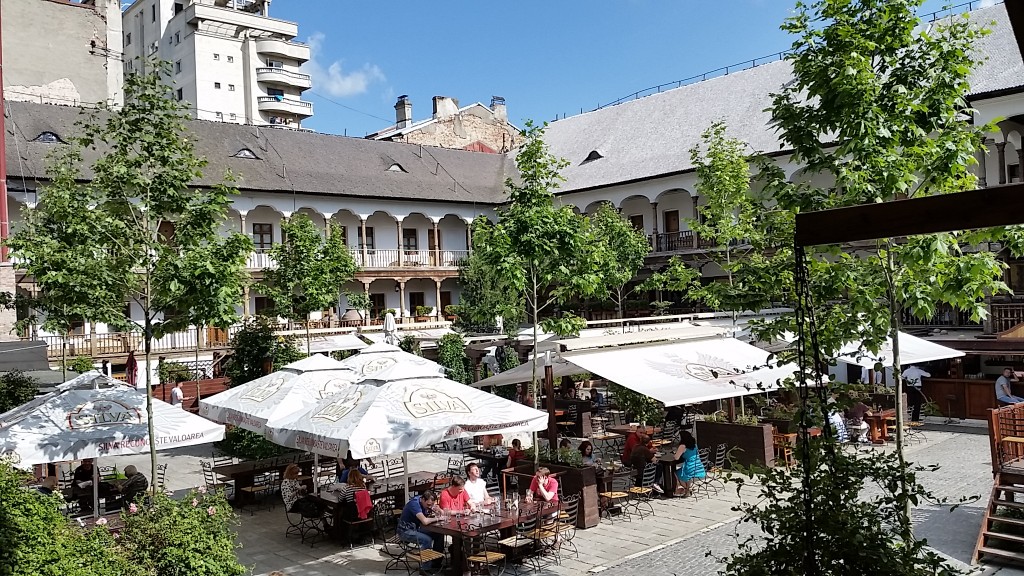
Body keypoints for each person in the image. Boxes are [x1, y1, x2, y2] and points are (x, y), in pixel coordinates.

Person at [398, 490, 444, 573]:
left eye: (431, 505)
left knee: (439, 534)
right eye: (428, 505)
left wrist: (438, 509)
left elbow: (433, 513)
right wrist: (437, 518)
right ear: (423, 499)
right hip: (405, 531)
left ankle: (436, 562)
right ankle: (425, 569)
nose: (429, 507)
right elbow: (425, 521)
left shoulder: (424, 502)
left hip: (415, 528)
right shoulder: (414, 504)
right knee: (427, 540)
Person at [673, 431, 705, 497]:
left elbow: (676, 458)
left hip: (689, 466)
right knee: (687, 476)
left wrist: (675, 453)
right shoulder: (694, 444)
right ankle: (687, 489)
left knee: (675, 473)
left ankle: (687, 489)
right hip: (698, 465)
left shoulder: (682, 446)